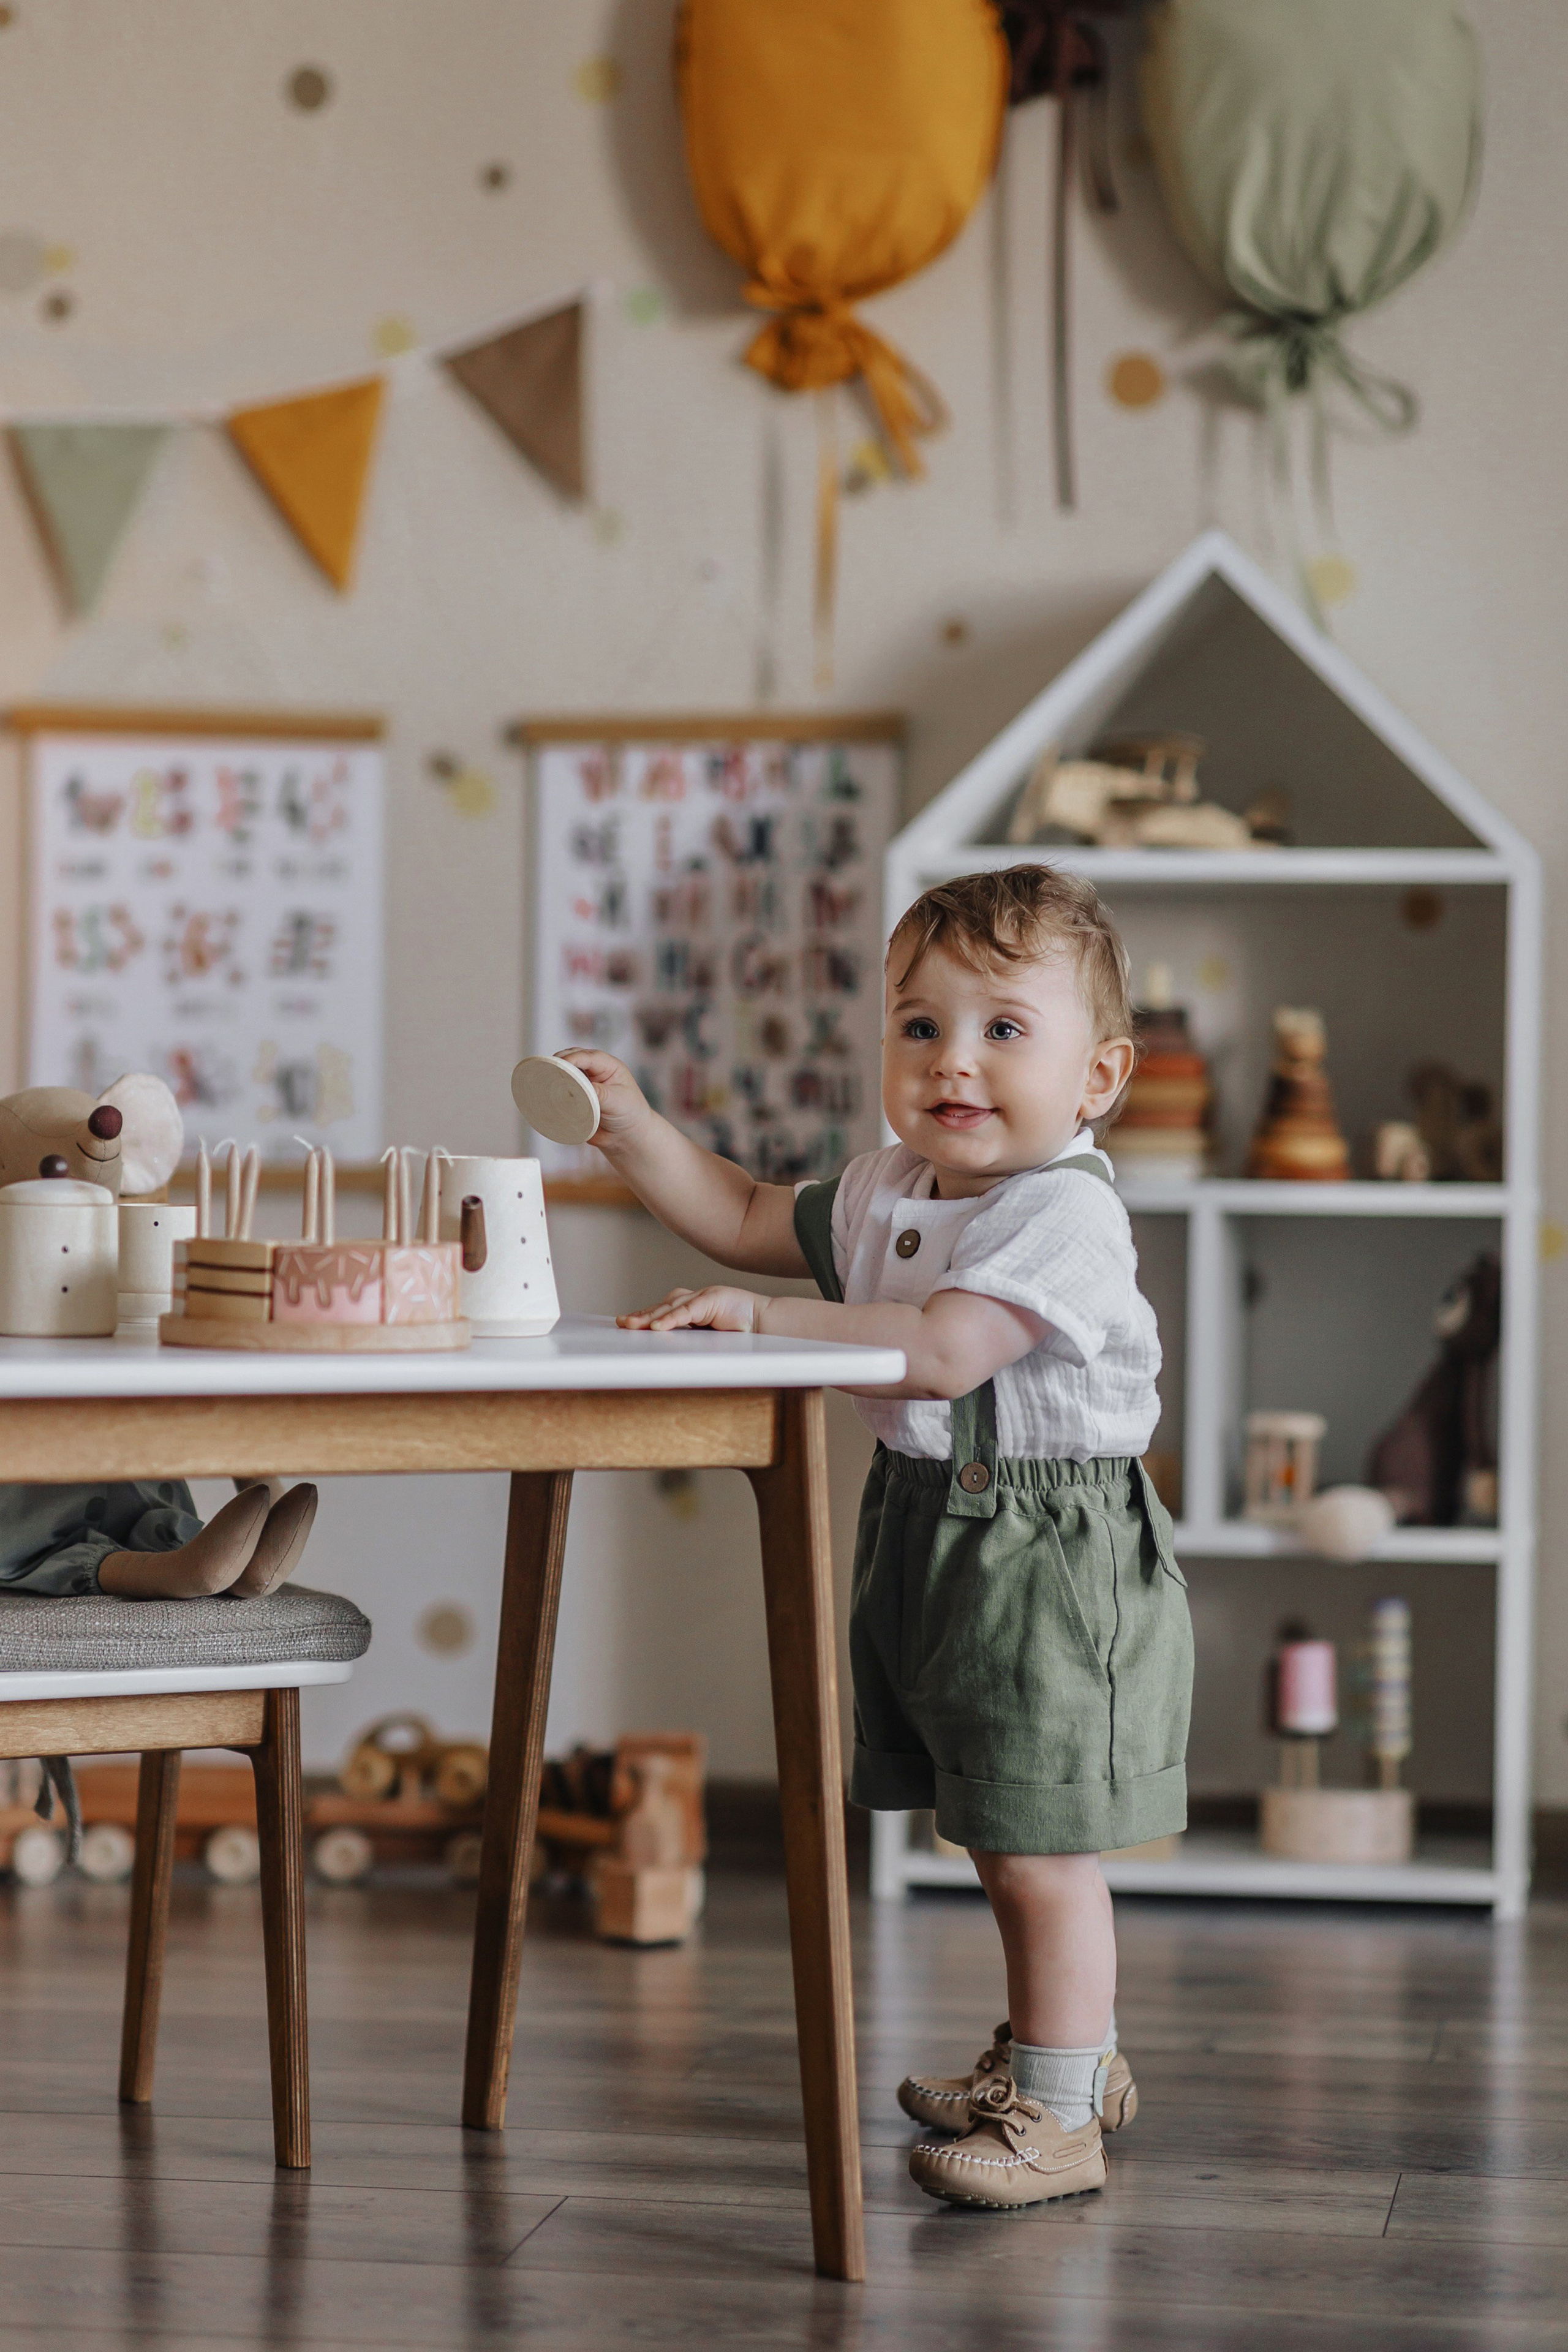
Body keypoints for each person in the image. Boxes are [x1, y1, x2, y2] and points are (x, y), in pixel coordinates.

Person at [566, 862, 1193, 2210]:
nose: (951, 1062)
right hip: (930, 1535)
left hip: (1044, 1556)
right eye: (920, 1027)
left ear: (1096, 1077)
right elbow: (740, 1213)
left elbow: (939, 1351)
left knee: (1036, 1842)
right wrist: (630, 1132)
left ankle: (1062, 2113)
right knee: (988, 1825)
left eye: (1002, 1030)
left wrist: (756, 1323)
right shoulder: (889, 1187)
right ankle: (1062, 2055)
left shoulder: (1062, 1212)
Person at [0, 1478, 318, 1600]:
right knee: (45, 1526)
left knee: (143, 1488)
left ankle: (215, 1561)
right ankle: (182, 1568)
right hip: (33, 1514)